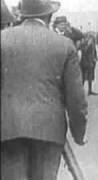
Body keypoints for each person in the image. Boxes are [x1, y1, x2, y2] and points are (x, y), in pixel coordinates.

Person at [1, 0, 88, 180]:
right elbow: (76, 100)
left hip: (8, 129)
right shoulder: (64, 45)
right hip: (49, 132)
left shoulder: (2, 40)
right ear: (49, 16)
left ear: (22, 14)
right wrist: (78, 133)